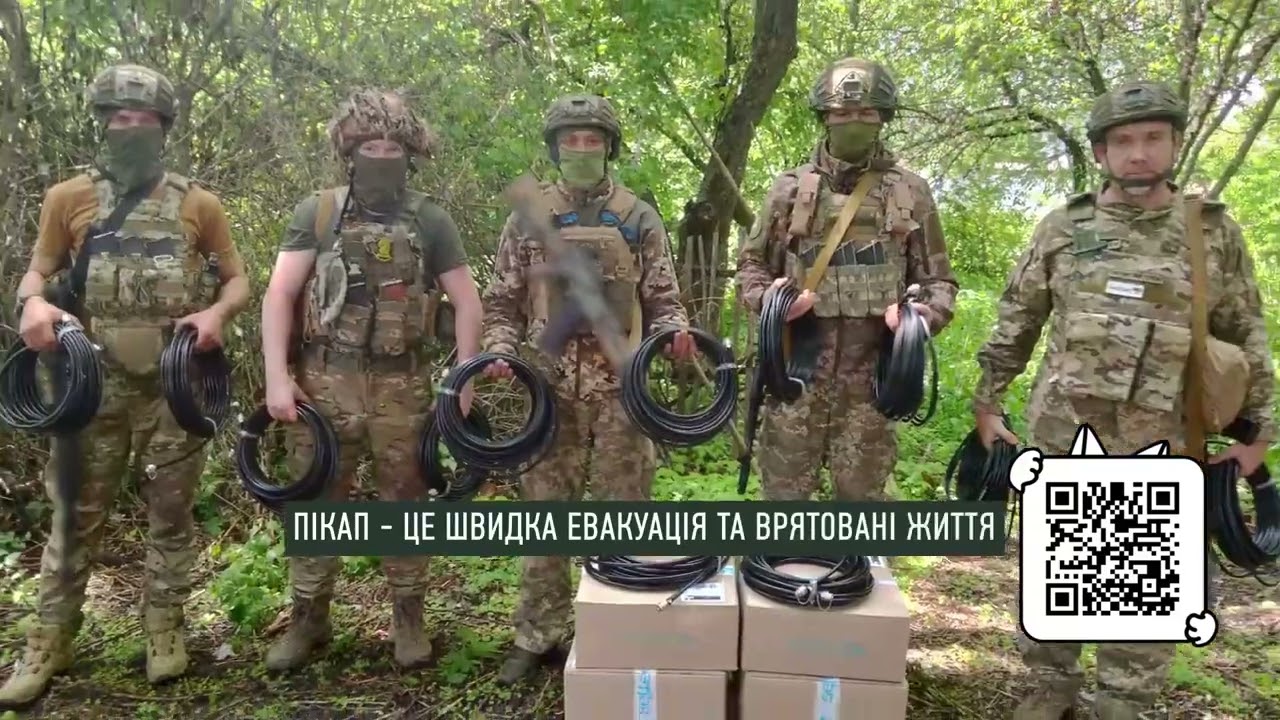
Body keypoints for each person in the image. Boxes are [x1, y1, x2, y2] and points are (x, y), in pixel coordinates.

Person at [971, 80, 1274, 719]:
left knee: (1146, 577)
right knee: (1057, 564)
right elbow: (1017, 319)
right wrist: (988, 402)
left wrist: (1259, 434)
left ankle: (1122, 701)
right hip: (1065, 433)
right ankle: (1050, 687)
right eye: (1124, 141)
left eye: (1153, 138)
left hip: (1166, 438)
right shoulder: (1064, 227)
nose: (1139, 153)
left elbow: (1246, 334)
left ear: (1175, 143)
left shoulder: (1211, 232)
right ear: (1101, 152)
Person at [0, 64, 251, 706]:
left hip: (174, 382)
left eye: (143, 119)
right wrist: (33, 304)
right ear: (102, 123)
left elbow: (237, 280)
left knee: (171, 512)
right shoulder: (68, 198)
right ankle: (49, 640)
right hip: (92, 383)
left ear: (163, 128)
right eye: (119, 117)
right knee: (74, 514)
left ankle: (164, 628)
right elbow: (36, 274)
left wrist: (216, 316)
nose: (130, 127)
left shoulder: (198, 204)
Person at [257, 88, 483, 671]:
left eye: (392, 147)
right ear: (349, 151)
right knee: (315, 499)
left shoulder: (429, 218)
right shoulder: (318, 213)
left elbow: (466, 300)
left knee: (405, 500)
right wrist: (277, 377)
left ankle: (408, 619)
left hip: (401, 385)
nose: (381, 155)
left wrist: (464, 376)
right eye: (370, 146)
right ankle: (308, 619)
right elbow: (280, 294)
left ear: (410, 153)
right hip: (324, 381)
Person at [480, 93, 695, 684]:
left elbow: (664, 301)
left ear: (608, 147)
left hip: (623, 392)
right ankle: (538, 634)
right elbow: (502, 303)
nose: (580, 149)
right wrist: (499, 351)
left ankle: (619, 628)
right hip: (548, 389)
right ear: (555, 148)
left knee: (625, 516)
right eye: (569, 140)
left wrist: (674, 337)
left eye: (591, 139)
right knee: (544, 516)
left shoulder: (638, 216)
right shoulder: (529, 220)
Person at [735, 57, 958, 502]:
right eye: (842, 112)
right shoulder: (788, 189)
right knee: (782, 506)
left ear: (883, 117)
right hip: (795, 375)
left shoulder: (910, 191)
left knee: (862, 506)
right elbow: (751, 267)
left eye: (865, 112)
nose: (853, 121)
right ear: (825, 116)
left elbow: (940, 282)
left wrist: (921, 317)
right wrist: (769, 301)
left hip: (871, 385)